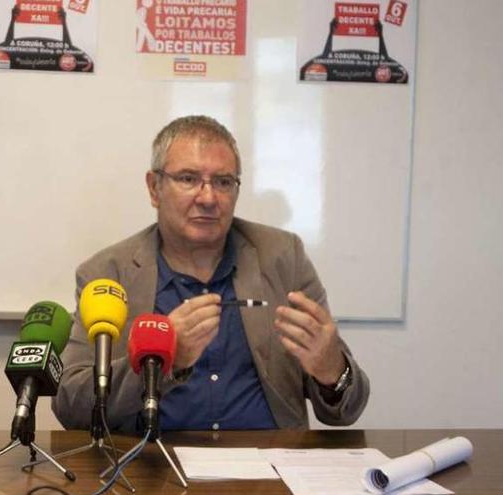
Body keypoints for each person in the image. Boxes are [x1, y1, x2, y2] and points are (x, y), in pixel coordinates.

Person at [52, 116, 369, 432]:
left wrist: (332, 371)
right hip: (153, 466)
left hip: (269, 466)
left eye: (223, 182)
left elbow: (346, 411)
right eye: (188, 179)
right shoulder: (109, 273)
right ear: (154, 188)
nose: (208, 198)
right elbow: (71, 405)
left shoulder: (283, 257)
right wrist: (163, 363)